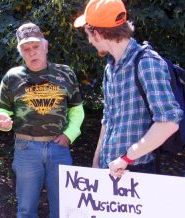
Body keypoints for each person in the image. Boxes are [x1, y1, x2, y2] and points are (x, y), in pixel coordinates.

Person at [74, 0, 183, 177]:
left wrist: (126, 159)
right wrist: (96, 162)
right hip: (109, 167)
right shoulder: (110, 68)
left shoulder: (147, 63)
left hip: (137, 171)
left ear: (98, 33)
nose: (89, 41)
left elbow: (168, 123)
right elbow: (107, 119)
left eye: (88, 34)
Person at [0, 22, 84, 218]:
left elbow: (77, 109)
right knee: (25, 209)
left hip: (59, 148)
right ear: (21, 52)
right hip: (26, 149)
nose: (32, 52)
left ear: (46, 46)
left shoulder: (65, 73)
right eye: (26, 49)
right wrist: (1, 120)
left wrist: (70, 134)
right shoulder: (12, 77)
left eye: (35, 47)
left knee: (63, 208)